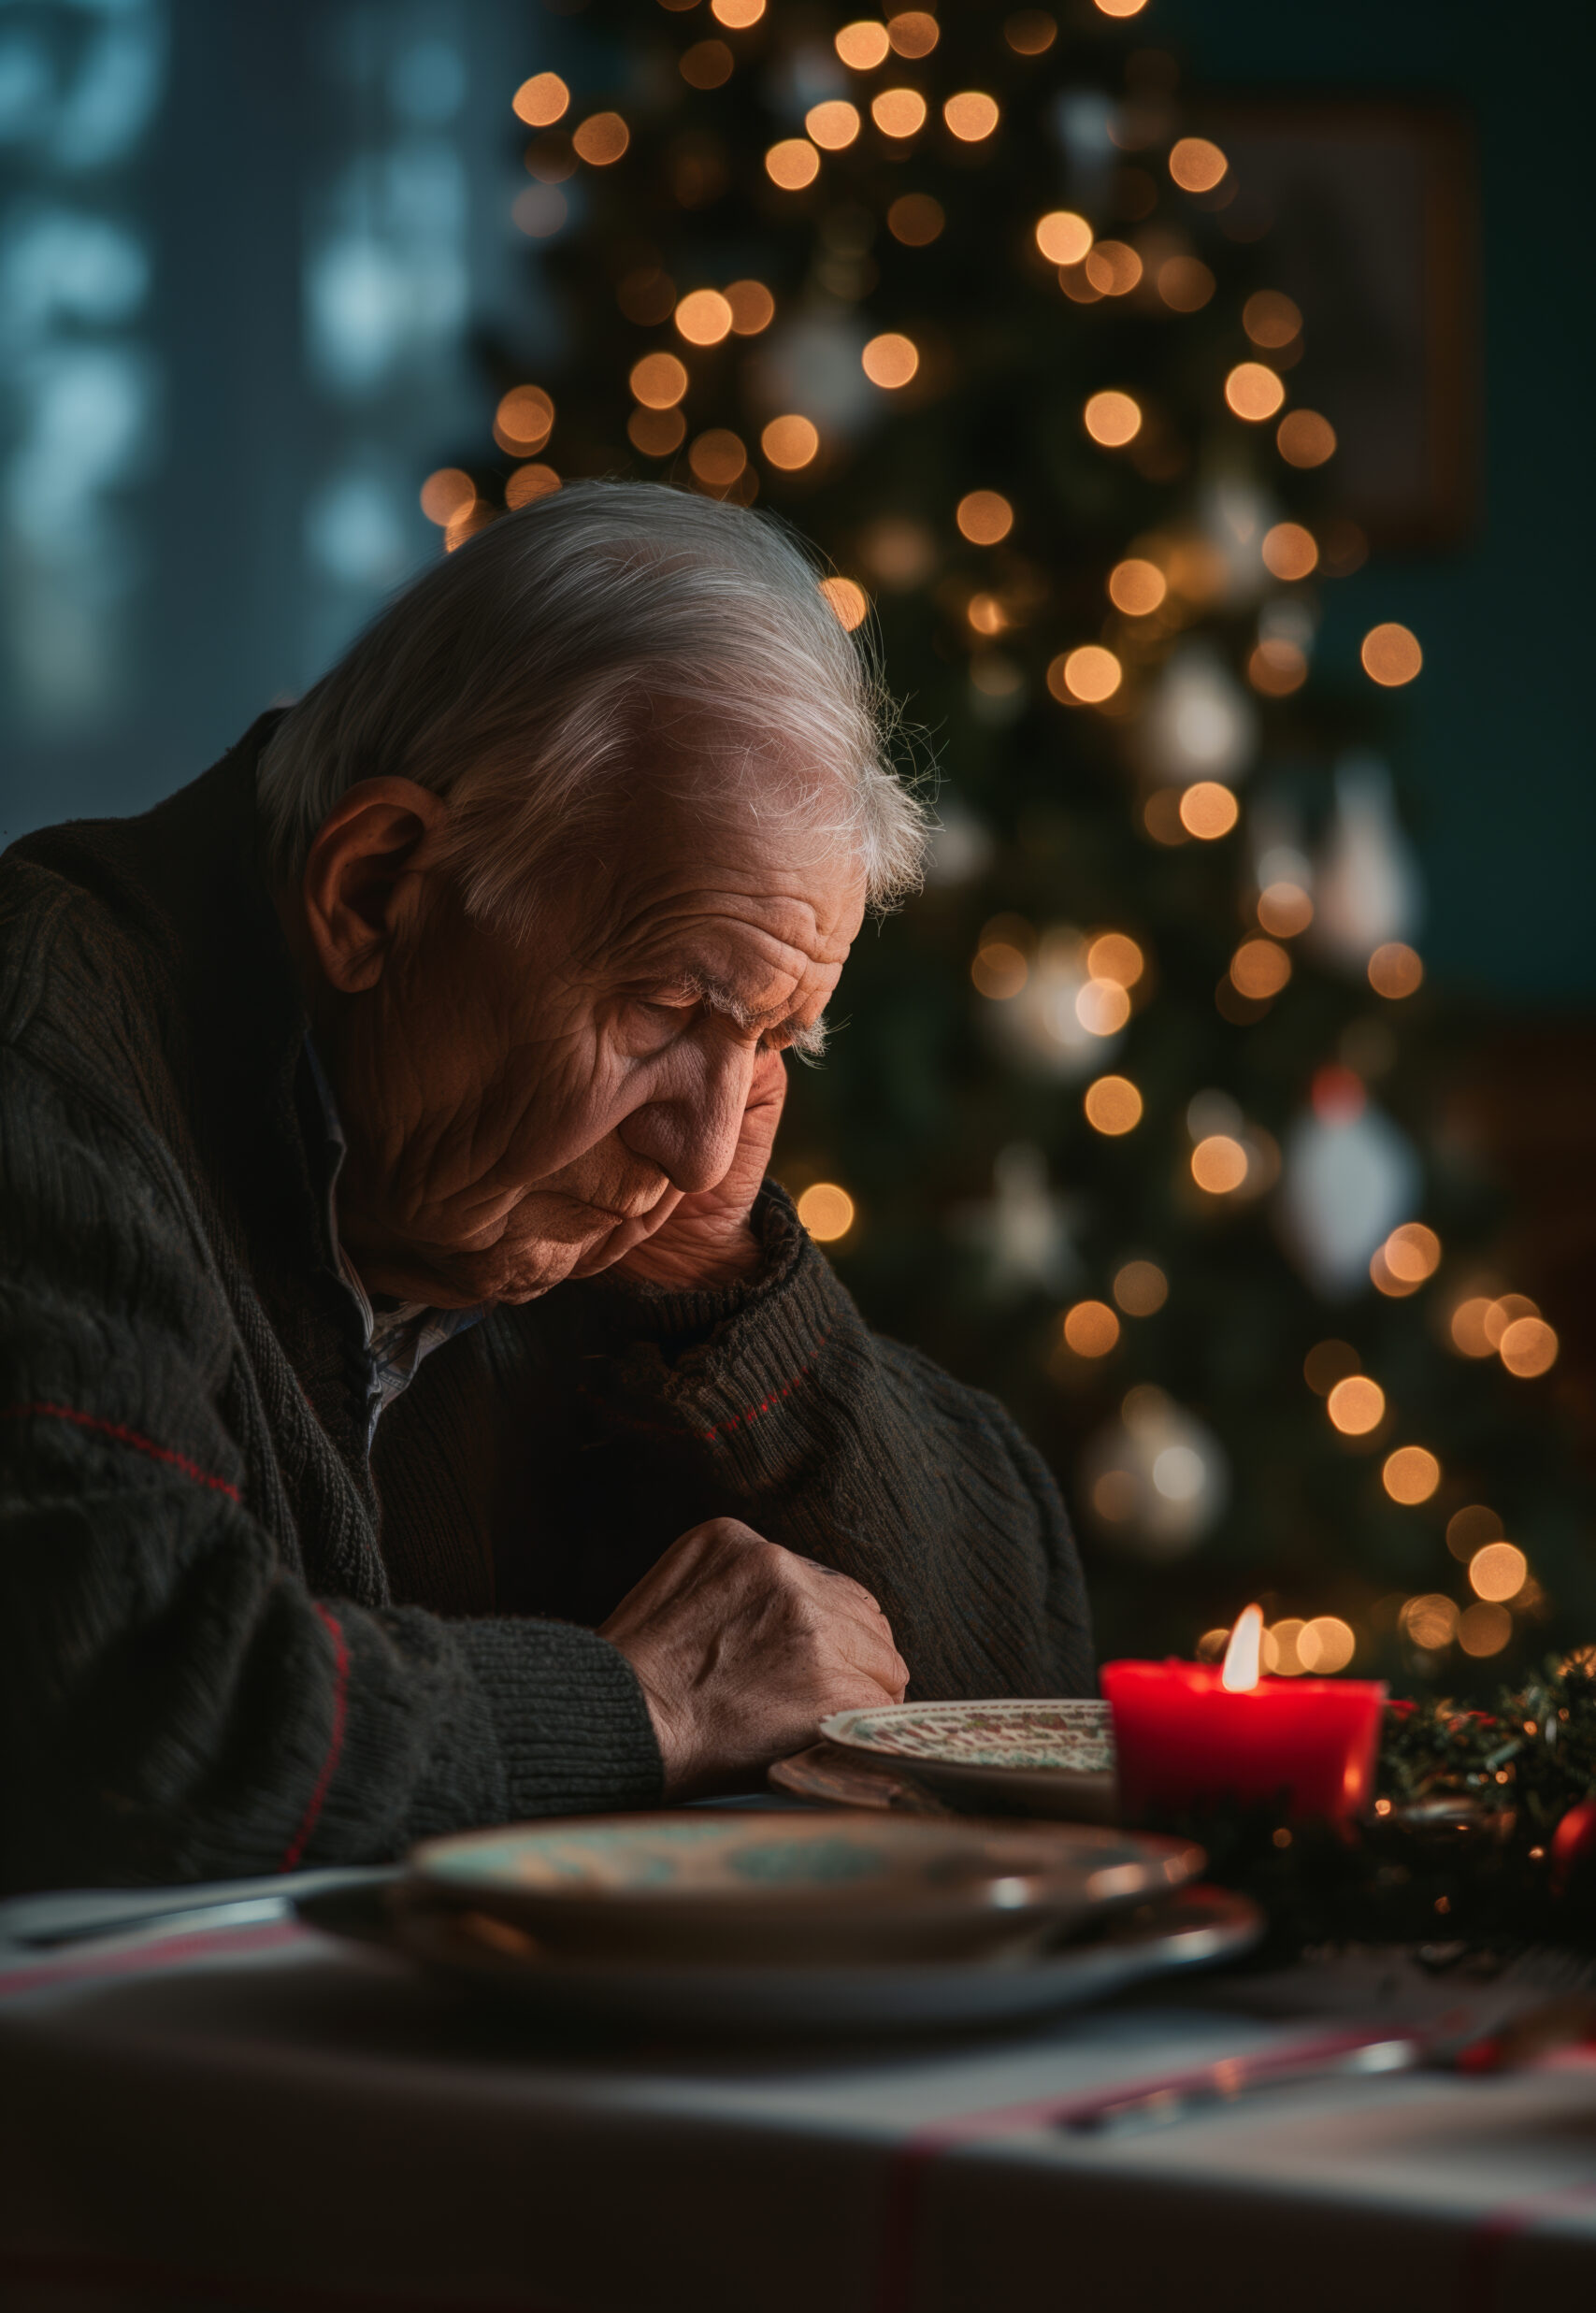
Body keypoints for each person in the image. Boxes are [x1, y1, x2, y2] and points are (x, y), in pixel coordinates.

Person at [0, 482, 1092, 1891]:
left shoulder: (537, 1182)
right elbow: (117, 1710)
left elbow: (1030, 1682)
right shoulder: (46, 1053)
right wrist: (655, 1705)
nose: (708, 1148)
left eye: (770, 1038)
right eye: (667, 1006)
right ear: (376, 892)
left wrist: (722, 1290)